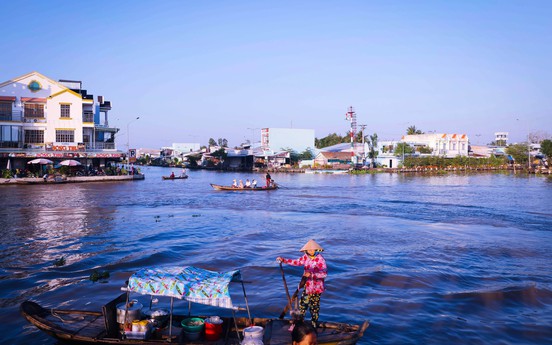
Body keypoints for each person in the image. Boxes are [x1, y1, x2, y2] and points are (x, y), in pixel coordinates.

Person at [277, 239, 327, 328]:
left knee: (314, 308)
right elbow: (296, 262)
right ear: (306, 250)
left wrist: (311, 274)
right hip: (307, 287)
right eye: (309, 250)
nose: (311, 251)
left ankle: (314, 325)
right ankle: (299, 324)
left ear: (316, 249)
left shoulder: (320, 259)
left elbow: (324, 274)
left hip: (316, 289)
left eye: (312, 249)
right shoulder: (305, 257)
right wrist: (283, 260)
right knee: (302, 306)